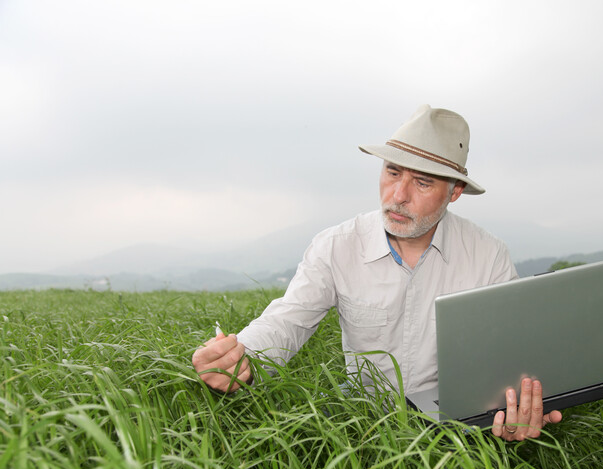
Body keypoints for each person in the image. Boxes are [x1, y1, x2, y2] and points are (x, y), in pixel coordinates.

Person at [191, 105, 562, 441]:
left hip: (462, 431)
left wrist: (525, 406)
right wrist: (243, 357)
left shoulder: (488, 255)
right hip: (366, 431)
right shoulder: (336, 246)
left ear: (454, 192)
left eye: (422, 182)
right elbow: (288, 320)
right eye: (393, 171)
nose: (398, 195)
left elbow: (516, 354)